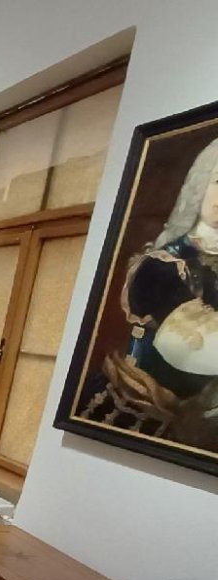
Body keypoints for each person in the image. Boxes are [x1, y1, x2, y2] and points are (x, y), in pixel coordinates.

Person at [78, 137, 218, 448]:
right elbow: (193, 348)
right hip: (129, 410)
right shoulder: (162, 265)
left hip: (187, 424)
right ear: (200, 185)